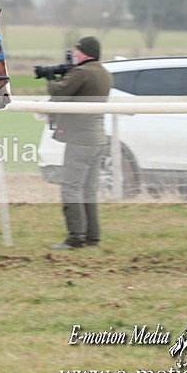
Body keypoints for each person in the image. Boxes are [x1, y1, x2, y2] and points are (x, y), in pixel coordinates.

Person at [46, 36, 113, 249]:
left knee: (71, 188)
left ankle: (76, 237)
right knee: (89, 190)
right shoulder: (103, 73)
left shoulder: (82, 73)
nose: (75, 54)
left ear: (86, 53)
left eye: (78, 51)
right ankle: (92, 237)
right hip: (98, 139)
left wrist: (50, 78)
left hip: (80, 141)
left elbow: (59, 95)